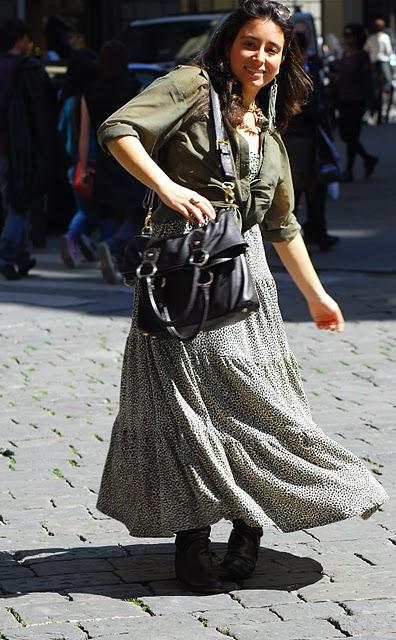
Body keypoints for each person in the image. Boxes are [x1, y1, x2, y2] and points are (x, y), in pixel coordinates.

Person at [96, 0, 388, 594]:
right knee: (182, 406)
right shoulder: (192, 87)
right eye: (250, 44)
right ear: (229, 45)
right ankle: (193, 535)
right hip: (180, 270)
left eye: (273, 49)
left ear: (285, 59)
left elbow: (283, 227)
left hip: (247, 283)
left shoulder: (272, 131)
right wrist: (169, 186)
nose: (260, 57)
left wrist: (318, 296)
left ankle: (249, 522)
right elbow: (118, 130)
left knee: (255, 399)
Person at [0, 19, 54, 280]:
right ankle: (8, 257)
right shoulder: (30, 69)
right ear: (19, 39)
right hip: (26, 147)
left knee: (10, 202)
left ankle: (20, 257)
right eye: (26, 38)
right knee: (19, 205)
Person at [82, 40, 144, 284]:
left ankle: (116, 255)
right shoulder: (133, 86)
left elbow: (85, 131)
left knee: (115, 210)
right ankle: (113, 247)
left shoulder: (90, 90)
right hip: (129, 153)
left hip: (103, 156)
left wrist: (83, 162)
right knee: (135, 211)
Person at [284, 30, 339, 251]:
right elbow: (315, 111)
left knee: (296, 193)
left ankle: (309, 233)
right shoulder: (301, 74)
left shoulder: (285, 72)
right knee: (311, 190)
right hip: (304, 140)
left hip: (292, 139)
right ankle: (310, 235)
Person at [58, 49, 100, 268]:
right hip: (90, 164)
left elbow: (62, 133)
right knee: (92, 210)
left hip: (74, 165)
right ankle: (72, 238)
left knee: (84, 208)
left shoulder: (67, 103)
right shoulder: (90, 100)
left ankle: (82, 242)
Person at [333, 24, 378, 182]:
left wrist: (371, 103)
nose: (347, 38)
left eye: (349, 35)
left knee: (351, 135)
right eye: (345, 35)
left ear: (357, 37)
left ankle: (350, 170)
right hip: (343, 100)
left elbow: (368, 81)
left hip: (357, 100)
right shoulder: (345, 54)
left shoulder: (362, 56)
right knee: (347, 135)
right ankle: (368, 159)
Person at [365, 18, 394, 125]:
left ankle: (376, 113)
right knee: (388, 87)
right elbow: (389, 51)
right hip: (383, 64)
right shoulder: (384, 37)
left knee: (375, 90)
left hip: (374, 64)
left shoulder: (371, 38)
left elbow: (366, 50)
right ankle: (383, 113)